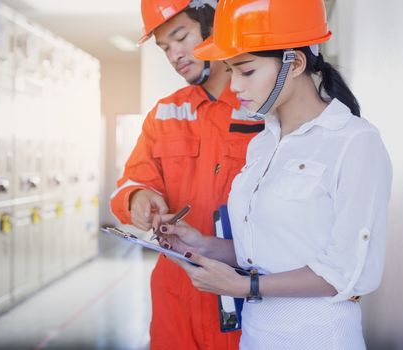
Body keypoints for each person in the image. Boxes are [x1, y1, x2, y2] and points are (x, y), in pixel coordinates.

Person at [153, 0, 393, 349]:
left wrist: (245, 286)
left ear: (293, 63)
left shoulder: (354, 142)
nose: (234, 86)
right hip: (255, 337)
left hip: (319, 339)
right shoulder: (264, 143)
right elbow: (270, 251)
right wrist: (202, 244)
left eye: (246, 71)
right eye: (229, 70)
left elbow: (346, 272)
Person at [110, 0, 264, 348]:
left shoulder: (263, 106)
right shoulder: (164, 113)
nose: (174, 54)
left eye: (181, 37)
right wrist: (137, 198)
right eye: (164, 47)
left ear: (214, 25)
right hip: (177, 299)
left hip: (249, 293)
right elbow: (132, 181)